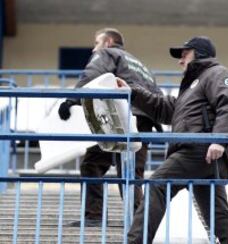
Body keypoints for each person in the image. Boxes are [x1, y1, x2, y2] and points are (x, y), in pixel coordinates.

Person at [117, 36, 228, 244]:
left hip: (199, 149)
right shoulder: (190, 89)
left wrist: (220, 140)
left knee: (157, 185)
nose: (180, 60)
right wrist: (131, 91)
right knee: (219, 217)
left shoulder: (216, 74)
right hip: (203, 154)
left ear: (200, 53)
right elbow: (163, 108)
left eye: (184, 54)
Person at [58, 28, 163, 227]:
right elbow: (156, 95)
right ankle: (138, 221)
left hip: (117, 119)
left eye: (96, 43)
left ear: (108, 42)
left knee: (95, 165)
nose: (93, 49)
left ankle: (95, 216)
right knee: (130, 172)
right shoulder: (141, 66)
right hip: (141, 122)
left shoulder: (108, 53)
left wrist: (72, 100)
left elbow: (92, 74)